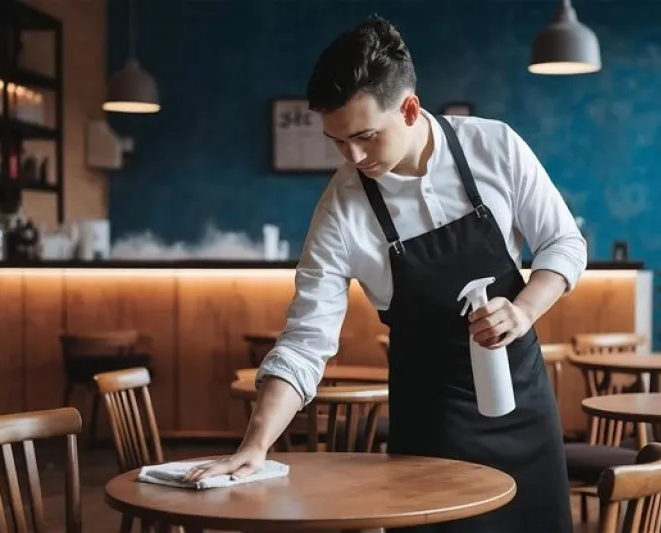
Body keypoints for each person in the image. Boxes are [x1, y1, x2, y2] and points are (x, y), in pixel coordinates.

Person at [185, 14, 586, 533]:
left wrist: (525, 309)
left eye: (365, 137)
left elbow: (563, 242)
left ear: (410, 108)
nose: (351, 156)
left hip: (523, 405)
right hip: (432, 429)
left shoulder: (495, 147)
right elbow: (307, 341)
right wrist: (255, 444)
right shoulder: (341, 209)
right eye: (337, 141)